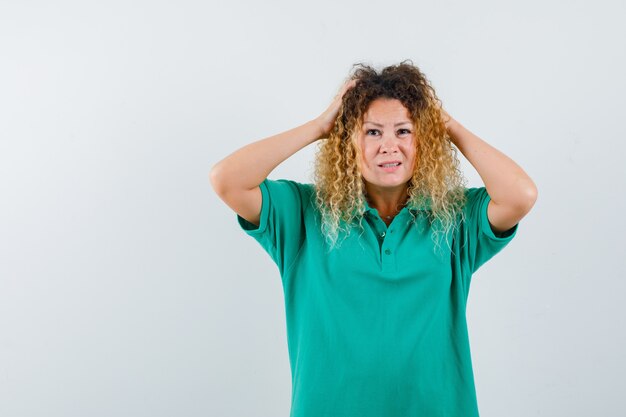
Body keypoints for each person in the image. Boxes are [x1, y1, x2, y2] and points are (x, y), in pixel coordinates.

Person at [210, 60, 538, 417]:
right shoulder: (304, 213)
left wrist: (449, 126)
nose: (389, 146)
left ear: (423, 139)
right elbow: (227, 180)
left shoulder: (453, 218)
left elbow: (520, 195)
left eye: (404, 131)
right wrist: (319, 126)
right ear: (347, 141)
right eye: (372, 132)